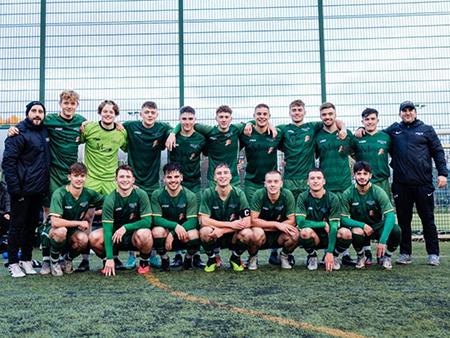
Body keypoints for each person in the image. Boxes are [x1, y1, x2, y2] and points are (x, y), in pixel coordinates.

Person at [363, 101, 447, 265]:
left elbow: (438, 152)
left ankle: (433, 253)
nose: (407, 113)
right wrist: (361, 130)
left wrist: (443, 173)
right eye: (404, 110)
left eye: (410, 110)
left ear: (415, 112)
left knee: (428, 220)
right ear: (399, 113)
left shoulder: (426, 130)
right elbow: (375, 134)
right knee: (403, 221)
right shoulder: (394, 130)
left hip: (423, 183)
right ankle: (405, 253)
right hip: (401, 184)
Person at [265, 99, 346, 266]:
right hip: (289, 180)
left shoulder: (312, 126)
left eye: (299, 110)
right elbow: (265, 127)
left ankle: (322, 251)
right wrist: (270, 125)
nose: (296, 112)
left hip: (307, 180)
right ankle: (284, 251)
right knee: (288, 216)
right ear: (289, 112)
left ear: (304, 112)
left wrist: (343, 128)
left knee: (316, 213)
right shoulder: (284, 129)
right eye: (293, 110)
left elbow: (333, 121)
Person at [7, 90, 87, 219]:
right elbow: (31, 122)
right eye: (66, 103)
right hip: (53, 172)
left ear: (77, 105)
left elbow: (99, 129)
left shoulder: (82, 121)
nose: (69, 106)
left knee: (70, 208)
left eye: (72, 103)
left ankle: (67, 237)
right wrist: (13, 127)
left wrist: (118, 124)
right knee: (50, 209)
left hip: (72, 171)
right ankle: (46, 235)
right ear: (60, 104)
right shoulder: (49, 120)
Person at [76, 100, 128, 272]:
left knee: (115, 219)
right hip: (91, 180)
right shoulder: (89, 128)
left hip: (110, 181)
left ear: (116, 115)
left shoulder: (121, 133)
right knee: (87, 218)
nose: (108, 114)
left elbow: (128, 148)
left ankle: (114, 258)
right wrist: (82, 123)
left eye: (111, 112)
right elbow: (77, 137)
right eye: (105, 111)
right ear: (100, 113)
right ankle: (85, 259)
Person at [2, 101, 51, 277]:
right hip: (21, 190)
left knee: (31, 227)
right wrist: (15, 188)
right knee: (16, 226)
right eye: (34, 111)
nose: (37, 114)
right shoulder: (18, 132)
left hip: (38, 189)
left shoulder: (45, 130)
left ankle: (27, 259)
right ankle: (13, 262)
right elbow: (8, 162)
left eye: (40, 111)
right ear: (27, 113)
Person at [123, 101, 173, 269]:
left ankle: (151, 255)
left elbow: (175, 128)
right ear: (141, 114)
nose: (150, 115)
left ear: (157, 114)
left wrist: (172, 134)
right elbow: (114, 126)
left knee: (150, 220)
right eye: (147, 112)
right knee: (132, 217)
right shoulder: (131, 126)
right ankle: (131, 256)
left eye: (153, 112)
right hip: (133, 183)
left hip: (152, 183)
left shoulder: (162, 128)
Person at [40, 163, 104, 276]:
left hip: (71, 232)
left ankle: (66, 259)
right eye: (76, 176)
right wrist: (79, 222)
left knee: (83, 238)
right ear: (69, 177)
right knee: (61, 231)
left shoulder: (89, 194)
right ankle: (54, 261)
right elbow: (55, 222)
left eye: (82, 176)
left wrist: (126, 189)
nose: (79, 179)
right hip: (52, 230)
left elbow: (109, 199)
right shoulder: (60, 193)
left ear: (86, 178)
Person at [89, 165, 153, 276]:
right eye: (121, 177)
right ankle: (107, 262)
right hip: (115, 237)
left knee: (145, 233)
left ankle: (144, 261)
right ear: (116, 180)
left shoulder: (141, 195)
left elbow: (147, 222)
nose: (125, 180)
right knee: (93, 237)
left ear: (133, 180)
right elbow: (108, 231)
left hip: (134, 236)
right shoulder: (110, 198)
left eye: (128, 177)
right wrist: (109, 257)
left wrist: (125, 227)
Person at [315, 102, 356, 265]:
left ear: (335, 115)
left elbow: (354, 153)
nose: (327, 117)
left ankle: (344, 254)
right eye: (324, 114)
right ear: (320, 117)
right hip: (327, 185)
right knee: (328, 221)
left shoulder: (346, 135)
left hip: (344, 183)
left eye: (330, 114)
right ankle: (327, 253)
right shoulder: (318, 136)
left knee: (344, 219)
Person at [340, 161, 401, 270]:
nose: (362, 177)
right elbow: (343, 219)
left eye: (365, 174)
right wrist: (362, 225)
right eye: (359, 174)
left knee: (396, 230)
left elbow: (390, 216)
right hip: (360, 228)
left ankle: (386, 256)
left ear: (370, 175)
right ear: (353, 176)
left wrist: (383, 241)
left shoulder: (378, 191)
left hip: (377, 226)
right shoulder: (348, 193)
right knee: (355, 231)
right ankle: (361, 255)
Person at [167, 106, 206, 268]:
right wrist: (172, 133)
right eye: (184, 119)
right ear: (179, 120)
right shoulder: (171, 136)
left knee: (195, 219)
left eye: (190, 119)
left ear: (195, 120)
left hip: (194, 183)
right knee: (175, 217)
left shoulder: (201, 139)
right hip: (175, 184)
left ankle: (195, 255)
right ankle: (177, 255)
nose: (187, 122)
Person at [353, 108, 391, 265]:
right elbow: (350, 153)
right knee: (362, 215)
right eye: (366, 119)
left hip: (382, 181)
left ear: (378, 120)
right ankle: (366, 251)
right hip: (364, 183)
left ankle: (383, 253)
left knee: (384, 216)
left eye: (372, 119)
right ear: (362, 122)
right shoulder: (356, 138)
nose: (370, 122)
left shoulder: (386, 137)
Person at [198, 163, 252, 272]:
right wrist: (230, 224)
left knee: (248, 234)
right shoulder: (208, 193)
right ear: (214, 178)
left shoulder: (239, 194)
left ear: (231, 176)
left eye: (225, 173)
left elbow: (247, 222)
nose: (222, 176)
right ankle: (212, 259)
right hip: (215, 234)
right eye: (219, 173)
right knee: (204, 231)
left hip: (232, 235)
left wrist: (223, 230)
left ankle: (235, 258)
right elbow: (204, 221)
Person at [296, 168, 352, 271]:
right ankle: (312, 256)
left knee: (346, 233)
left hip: (329, 235)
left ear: (324, 181)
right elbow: (301, 223)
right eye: (312, 178)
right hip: (314, 236)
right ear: (308, 182)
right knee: (304, 232)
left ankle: (334, 255)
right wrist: (322, 224)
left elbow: (334, 226)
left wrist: (330, 252)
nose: (315, 181)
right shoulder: (302, 197)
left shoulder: (332, 198)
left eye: (318, 178)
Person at [151, 162, 200, 271]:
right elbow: (156, 219)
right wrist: (174, 227)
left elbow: (192, 222)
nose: (173, 180)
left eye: (176, 176)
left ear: (181, 177)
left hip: (183, 232)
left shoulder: (190, 195)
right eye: (169, 177)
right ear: (164, 178)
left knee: (194, 234)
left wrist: (174, 232)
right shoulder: (157, 194)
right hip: (166, 232)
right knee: (157, 231)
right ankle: (164, 258)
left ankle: (188, 258)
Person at [247, 170, 298, 270]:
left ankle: (283, 256)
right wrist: (277, 225)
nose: (273, 185)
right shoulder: (258, 195)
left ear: (281, 183)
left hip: (279, 234)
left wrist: (275, 226)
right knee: (255, 233)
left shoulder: (287, 195)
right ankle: (253, 257)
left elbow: (292, 221)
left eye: (276, 181)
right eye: (269, 182)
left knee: (295, 234)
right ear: (265, 184)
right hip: (262, 234)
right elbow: (253, 220)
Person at [239, 104, 282, 200]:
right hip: (251, 182)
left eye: (264, 114)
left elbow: (287, 148)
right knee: (250, 214)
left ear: (269, 116)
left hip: (272, 182)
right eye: (258, 114)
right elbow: (234, 148)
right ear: (254, 116)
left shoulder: (277, 134)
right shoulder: (246, 133)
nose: (262, 116)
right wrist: (249, 123)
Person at [0, 171, 10, 243]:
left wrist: (7, 212)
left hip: (2, 212)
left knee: (8, 219)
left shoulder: (4, 187)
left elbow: (7, 201)